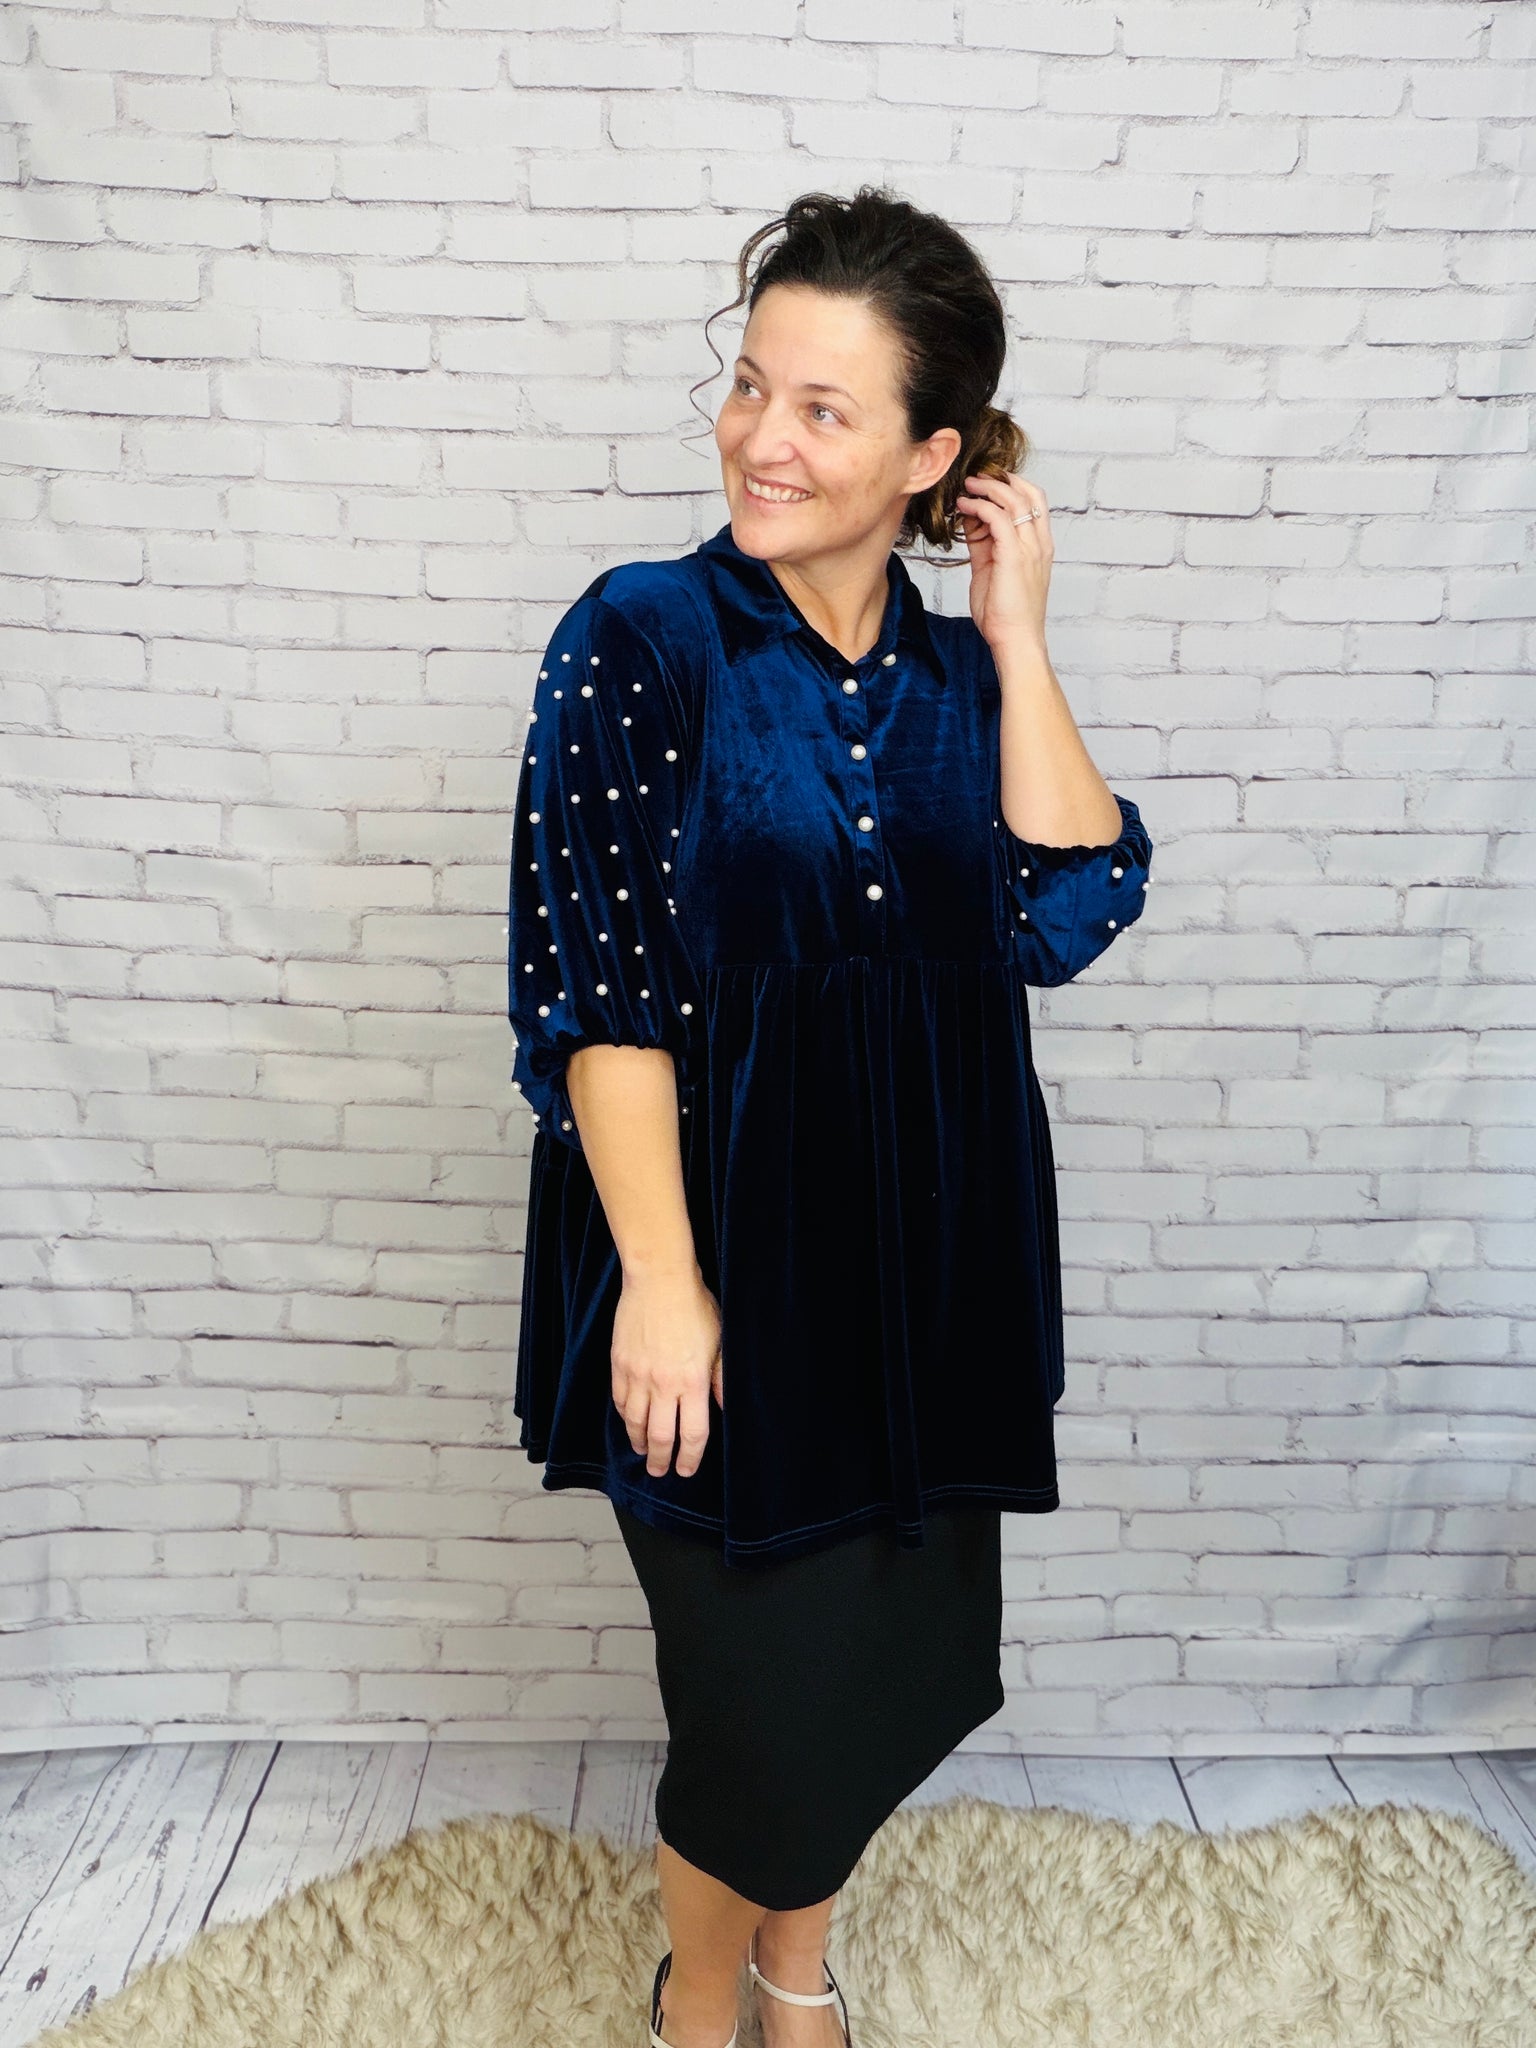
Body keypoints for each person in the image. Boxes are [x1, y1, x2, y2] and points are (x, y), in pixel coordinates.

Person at [506, 186, 1154, 2048]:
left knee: (870, 1683)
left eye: (824, 408)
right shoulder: (644, 638)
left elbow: (1069, 908)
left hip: (928, 1267)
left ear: (934, 457)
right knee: (756, 1702)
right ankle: (697, 2006)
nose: (762, 440)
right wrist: (663, 1283)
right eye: (750, 387)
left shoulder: (959, 681)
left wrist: (1018, 638)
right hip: (712, 1246)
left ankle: (800, 1977)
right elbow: (598, 990)